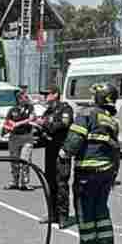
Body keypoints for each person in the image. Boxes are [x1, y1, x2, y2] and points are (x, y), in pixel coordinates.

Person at [63, 83, 121, 244]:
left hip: (87, 171)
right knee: (101, 208)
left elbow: (75, 137)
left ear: (100, 97)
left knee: (84, 209)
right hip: (107, 171)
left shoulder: (86, 114)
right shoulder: (111, 120)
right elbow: (115, 148)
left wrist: (64, 153)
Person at [38, 89, 75, 226]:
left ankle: (63, 216)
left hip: (61, 150)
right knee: (50, 183)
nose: (45, 97)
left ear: (55, 95)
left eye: (47, 94)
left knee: (61, 184)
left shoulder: (65, 109)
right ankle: (52, 214)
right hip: (50, 150)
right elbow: (43, 128)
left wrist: (45, 124)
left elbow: (63, 125)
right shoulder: (48, 111)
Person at [4, 88, 36, 190]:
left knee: (25, 160)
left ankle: (25, 182)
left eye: (26, 97)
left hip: (27, 137)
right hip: (14, 137)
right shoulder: (12, 110)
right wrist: (9, 127)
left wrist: (17, 123)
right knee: (14, 161)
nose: (26, 99)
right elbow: (8, 123)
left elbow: (31, 118)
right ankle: (14, 181)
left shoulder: (30, 108)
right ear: (19, 99)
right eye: (24, 97)